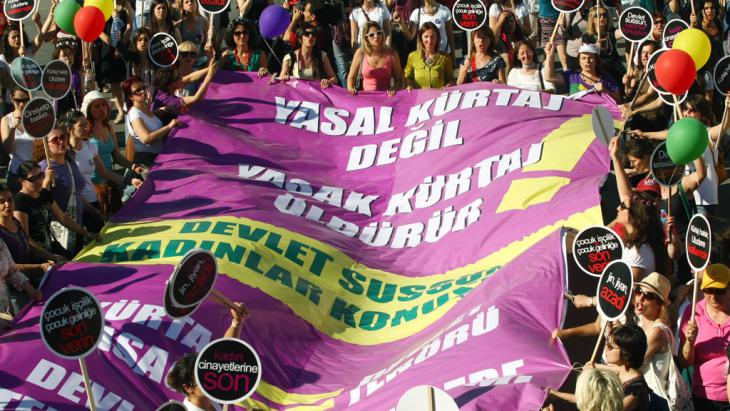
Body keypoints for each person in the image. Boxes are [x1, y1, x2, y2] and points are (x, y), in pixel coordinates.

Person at [166, 302, 249, 410]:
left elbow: (225, 350)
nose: (213, 377)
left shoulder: (208, 396)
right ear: (188, 388)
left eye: (209, 371)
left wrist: (236, 323)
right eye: (204, 377)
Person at [65, 107, 142, 218]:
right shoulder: (65, 153)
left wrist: (129, 180)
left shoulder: (91, 147)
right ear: (70, 130)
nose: (86, 128)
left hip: (93, 199)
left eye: (86, 124)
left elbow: (105, 173)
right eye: (81, 125)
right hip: (77, 204)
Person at [14, 161, 100, 260]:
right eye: (33, 178)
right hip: (36, 256)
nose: (39, 181)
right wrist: (51, 257)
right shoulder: (20, 201)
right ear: (21, 181)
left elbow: (62, 218)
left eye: (41, 175)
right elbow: (26, 238)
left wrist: (87, 233)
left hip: (50, 247)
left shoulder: (44, 194)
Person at [38, 127, 102, 255]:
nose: (61, 142)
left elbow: (76, 193)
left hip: (78, 225)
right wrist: (46, 181)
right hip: (61, 231)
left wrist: (93, 211)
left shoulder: (70, 162)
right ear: (46, 145)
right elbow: (41, 200)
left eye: (62, 137)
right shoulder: (44, 168)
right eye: (55, 140)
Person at [680, 264, 730, 409]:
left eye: (719, 290)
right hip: (704, 397)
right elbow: (684, 363)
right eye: (708, 290)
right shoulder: (694, 313)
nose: (713, 296)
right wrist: (689, 341)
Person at [633, 272, 675, 405]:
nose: (640, 298)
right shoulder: (638, 323)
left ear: (659, 304)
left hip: (655, 401)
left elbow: (632, 363)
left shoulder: (657, 331)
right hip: (643, 396)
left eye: (648, 296)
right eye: (639, 291)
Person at [123, 75, 180, 167]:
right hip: (147, 162)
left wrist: (163, 110)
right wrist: (170, 126)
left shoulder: (143, 107)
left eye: (143, 87)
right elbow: (146, 138)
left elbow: (148, 119)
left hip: (157, 157)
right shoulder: (134, 114)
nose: (142, 91)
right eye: (138, 90)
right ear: (131, 97)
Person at [544, 42, 620, 102]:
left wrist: (605, 91)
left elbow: (618, 100)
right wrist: (549, 55)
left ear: (596, 60)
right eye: (583, 58)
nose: (587, 61)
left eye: (590, 58)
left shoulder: (606, 78)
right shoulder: (571, 75)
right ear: (579, 61)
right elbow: (549, 77)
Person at [152, 58, 219, 122]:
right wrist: (208, 78)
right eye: (178, 78)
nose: (181, 78)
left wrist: (209, 69)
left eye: (179, 75)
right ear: (169, 85)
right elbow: (196, 98)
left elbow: (190, 77)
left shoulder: (164, 87)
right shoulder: (169, 101)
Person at [347, 22, 403, 95]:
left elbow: (399, 80)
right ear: (366, 38)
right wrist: (351, 88)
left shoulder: (392, 54)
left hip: (387, 97)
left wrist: (394, 88)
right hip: (366, 97)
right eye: (371, 35)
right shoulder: (360, 53)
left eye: (378, 33)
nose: (376, 36)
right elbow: (351, 77)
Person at [278, 24, 338, 88]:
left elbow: (334, 79)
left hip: (316, 94)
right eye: (306, 34)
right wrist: (284, 77)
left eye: (313, 34)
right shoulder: (290, 57)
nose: (311, 36)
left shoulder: (322, 56)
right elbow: (281, 78)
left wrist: (328, 82)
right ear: (299, 39)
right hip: (297, 95)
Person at [1, 87, 34, 192]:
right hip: (17, 174)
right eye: (18, 100)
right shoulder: (7, 120)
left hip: (36, 172)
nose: (21, 104)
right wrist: (13, 129)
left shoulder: (37, 118)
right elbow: (8, 149)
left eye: (25, 100)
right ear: (11, 98)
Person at [404, 22, 454, 90]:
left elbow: (451, 80)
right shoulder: (412, 56)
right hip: (419, 98)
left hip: (438, 98)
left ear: (437, 38)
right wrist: (408, 85)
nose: (429, 40)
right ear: (421, 38)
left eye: (432, 36)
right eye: (426, 37)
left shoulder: (445, 58)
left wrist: (448, 86)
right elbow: (407, 77)